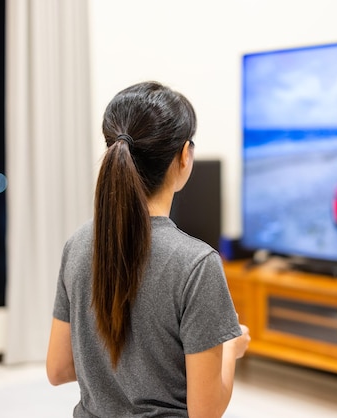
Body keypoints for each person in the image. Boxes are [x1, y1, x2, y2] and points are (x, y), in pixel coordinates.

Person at [46, 81, 250, 418]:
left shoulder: (78, 244)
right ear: (184, 156)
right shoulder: (197, 265)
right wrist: (230, 347)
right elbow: (206, 411)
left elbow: (58, 369)